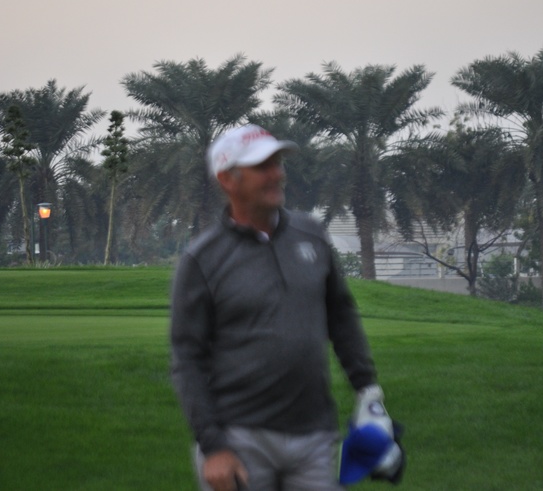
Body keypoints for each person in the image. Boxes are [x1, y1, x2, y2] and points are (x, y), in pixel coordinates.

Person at [170, 124, 399, 491]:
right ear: (227, 179)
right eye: (262, 167)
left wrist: (369, 393)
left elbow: (340, 316)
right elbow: (187, 357)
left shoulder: (312, 235)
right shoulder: (203, 259)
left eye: (277, 164)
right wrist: (213, 446)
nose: (276, 174)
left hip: (314, 435)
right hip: (238, 438)